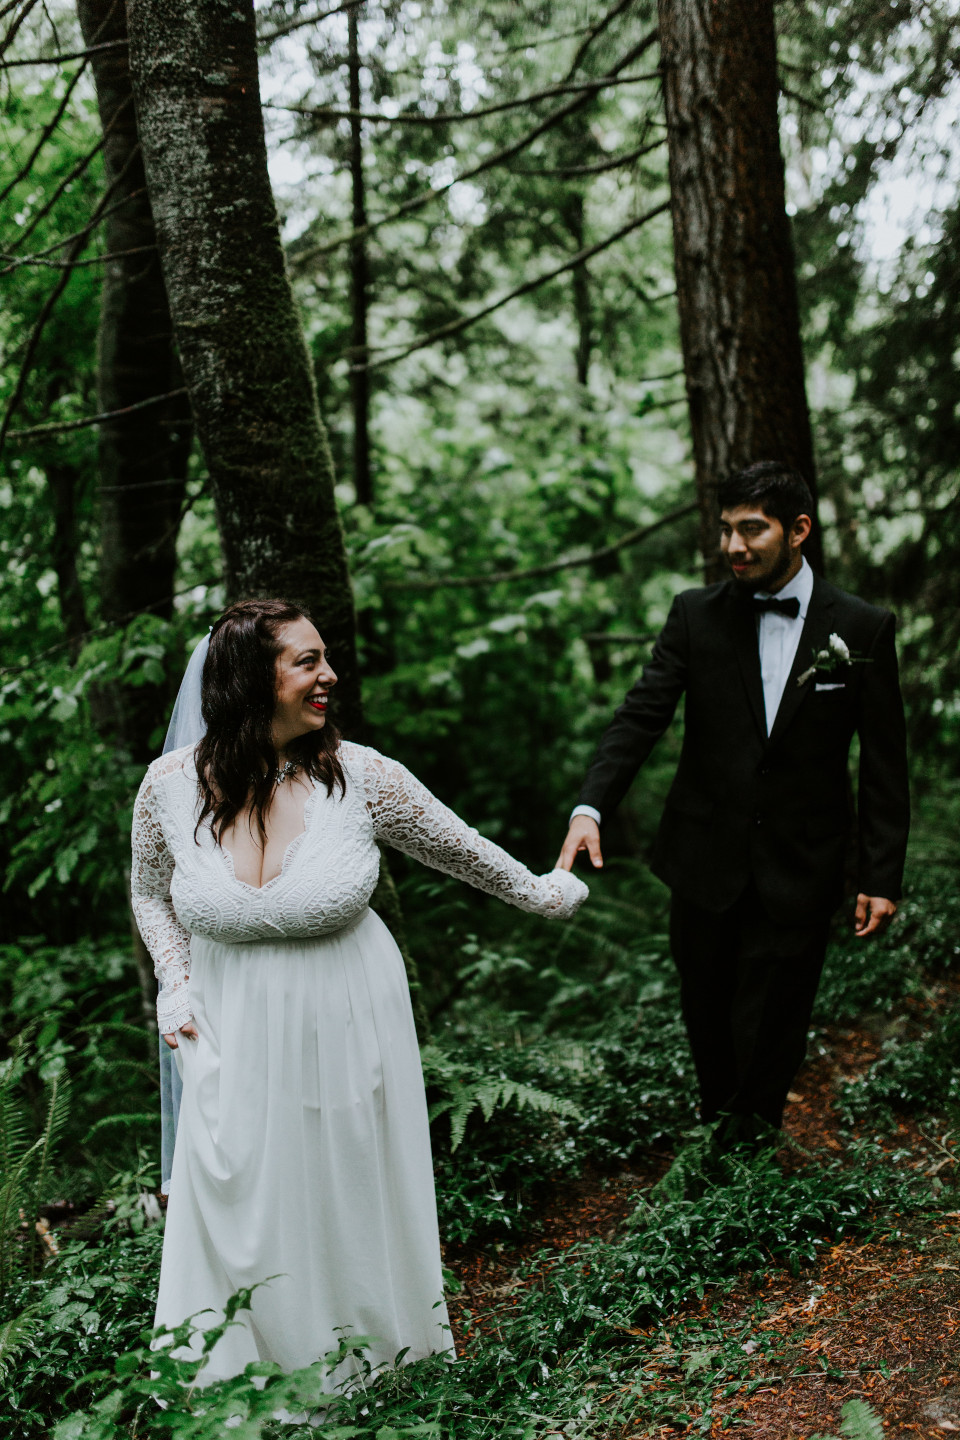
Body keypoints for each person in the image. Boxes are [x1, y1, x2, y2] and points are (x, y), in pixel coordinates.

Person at [132, 598, 587, 1389]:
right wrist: (174, 983)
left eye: (323, 658)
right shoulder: (169, 786)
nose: (329, 675)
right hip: (227, 1022)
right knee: (238, 1193)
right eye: (306, 661)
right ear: (249, 678)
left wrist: (547, 894)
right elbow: (149, 893)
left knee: (337, 1189)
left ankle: (369, 1371)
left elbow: (467, 853)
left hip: (344, 1014)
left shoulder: (365, 778)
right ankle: (241, 1381)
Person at [557, 461, 909, 1147]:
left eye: (752, 529)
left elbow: (886, 762)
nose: (734, 547)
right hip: (703, 860)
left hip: (803, 861)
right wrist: (590, 806)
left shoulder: (863, 630)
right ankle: (722, 1131)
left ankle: (750, 1144)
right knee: (707, 1009)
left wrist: (879, 875)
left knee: (777, 1016)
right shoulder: (696, 614)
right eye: (726, 531)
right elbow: (642, 715)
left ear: (799, 529)